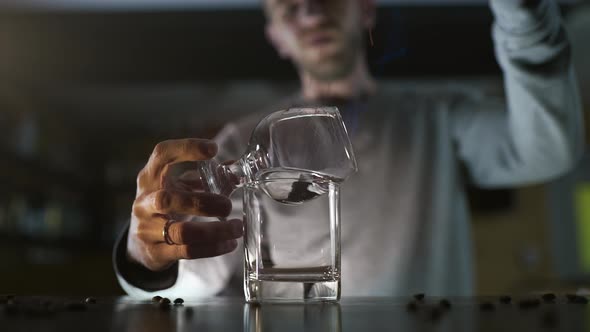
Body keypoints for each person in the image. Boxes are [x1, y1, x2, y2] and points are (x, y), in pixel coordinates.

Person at [114, 0, 585, 298]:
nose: (312, 12)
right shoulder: (238, 144)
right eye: (288, 7)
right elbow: (185, 286)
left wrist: (523, 12)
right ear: (276, 37)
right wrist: (144, 255)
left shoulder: (438, 118)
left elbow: (550, 149)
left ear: (367, 10)